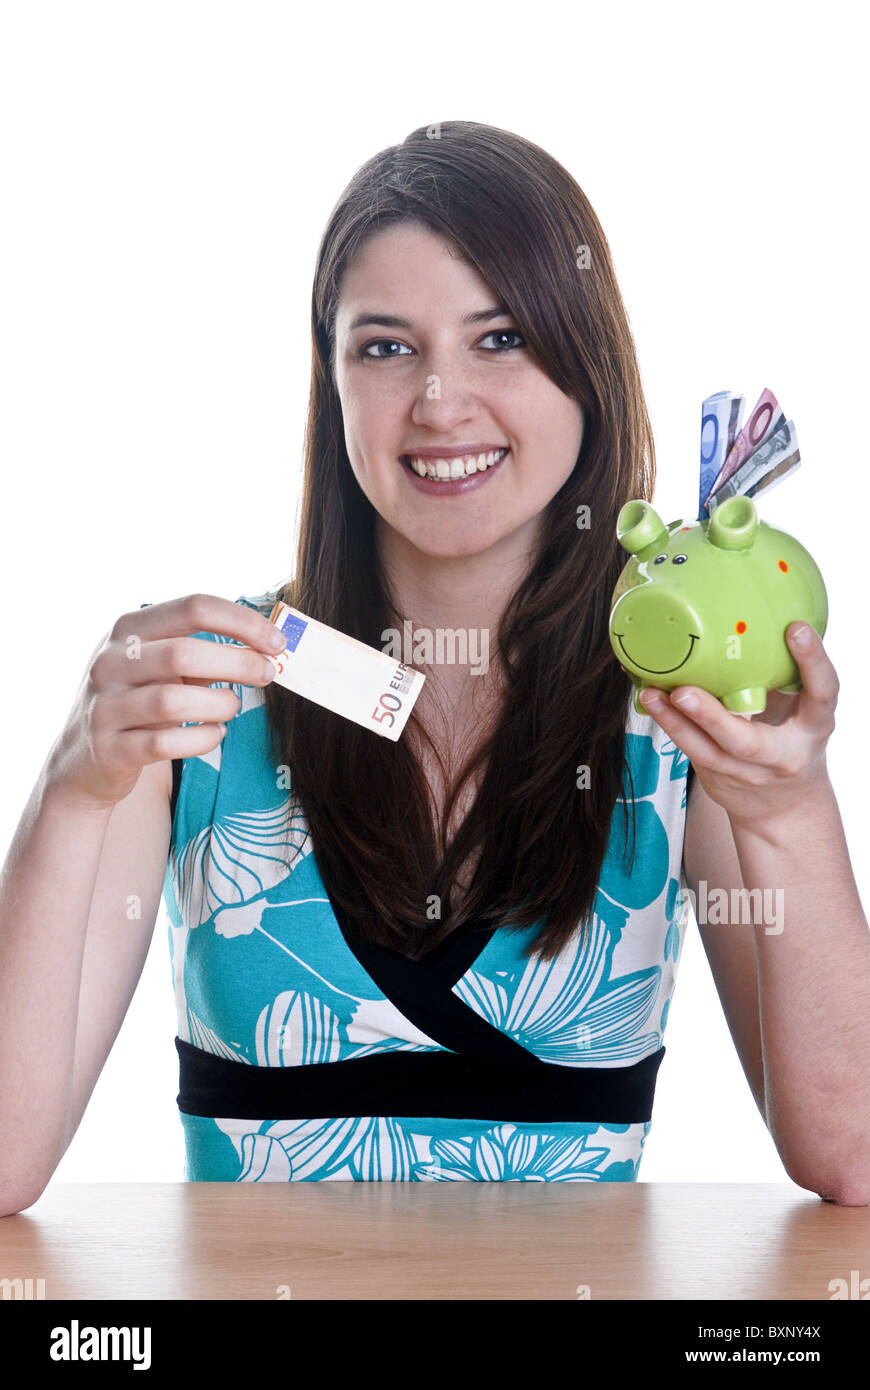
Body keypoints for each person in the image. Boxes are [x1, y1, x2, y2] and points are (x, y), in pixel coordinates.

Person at [2, 122, 867, 1201]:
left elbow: (854, 1158)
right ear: (331, 383)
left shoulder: (679, 710)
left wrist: (790, 812)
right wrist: (75, 784)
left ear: (586, 371)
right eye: (385, 345)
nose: (440, 400)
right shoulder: (198, 691)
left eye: (499, 338)